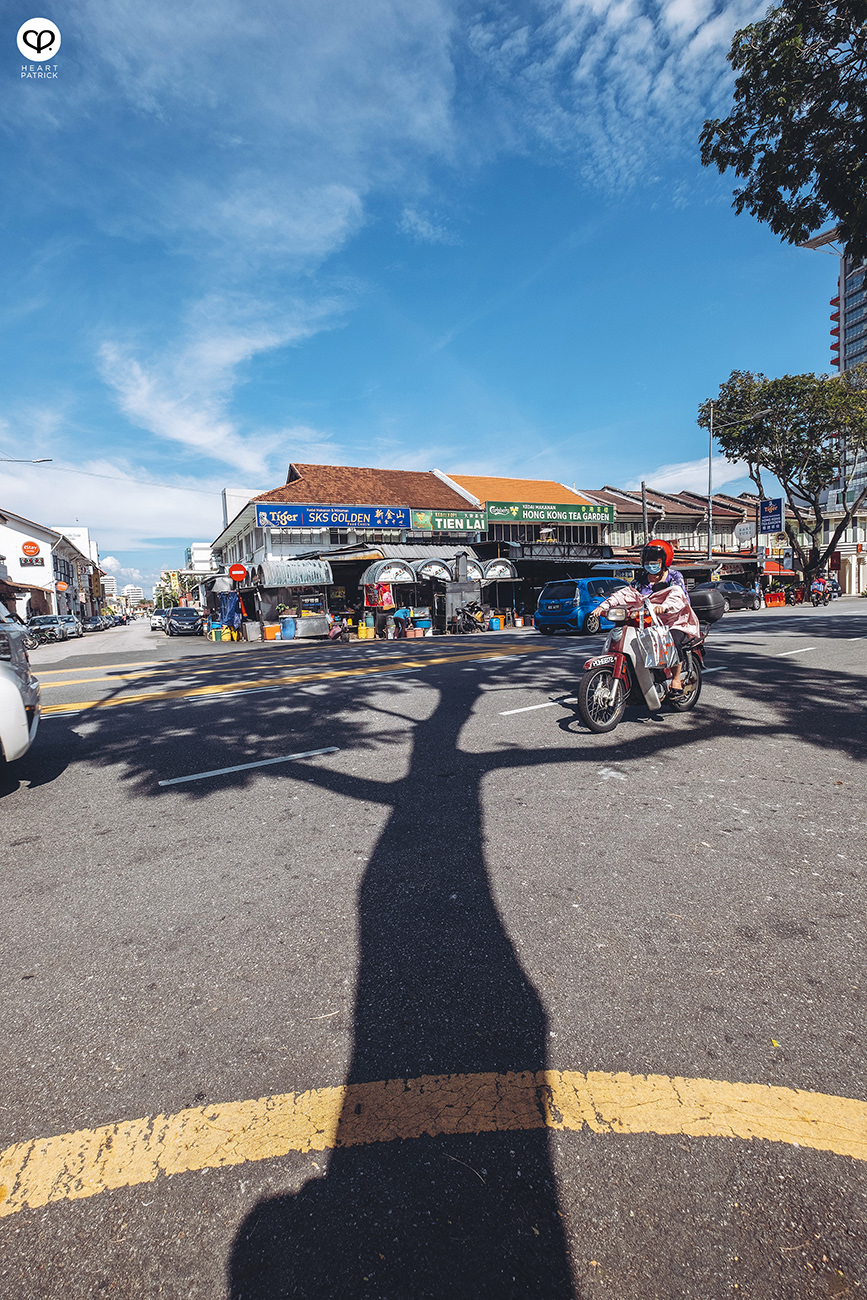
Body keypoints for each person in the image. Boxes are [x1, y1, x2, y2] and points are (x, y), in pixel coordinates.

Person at [597, 539, 699, 697]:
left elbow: (678, 596)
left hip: (674, 620)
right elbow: (626, 593)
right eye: (647, 561)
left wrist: (664, 607)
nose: (650, 565)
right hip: (647, 620)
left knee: (672, 640)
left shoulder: (674, 577)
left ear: (664, 561)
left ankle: (676, 679)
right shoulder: (641, 579)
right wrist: (604, 606)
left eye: (654, 562)